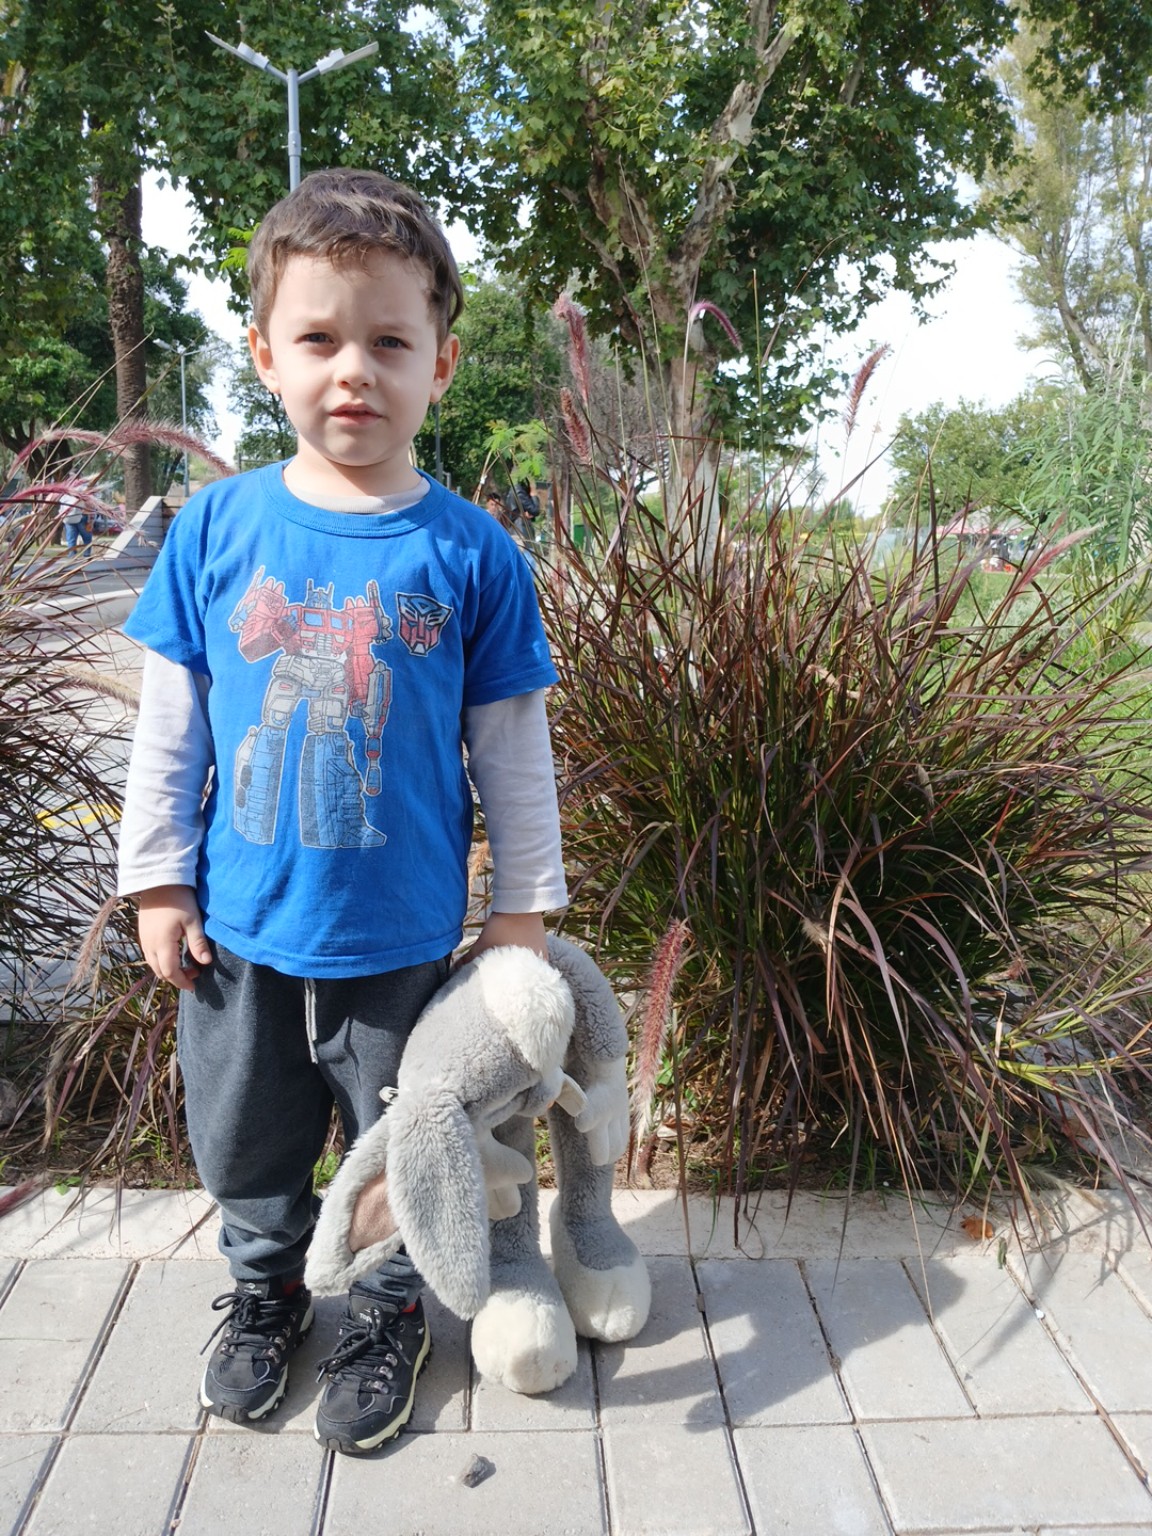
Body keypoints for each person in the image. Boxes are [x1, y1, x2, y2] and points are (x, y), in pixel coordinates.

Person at [116, 168, 568, 1455]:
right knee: (244, 1132)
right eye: (318, 339)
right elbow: (173, 721)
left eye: (388, 341)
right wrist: (157, 878)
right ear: (265, 355)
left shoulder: (472, 552)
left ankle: (388, 1303)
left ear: (443, 361)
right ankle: (263, 1290)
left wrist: (523, 910)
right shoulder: (214, 528)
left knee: (399, 1141)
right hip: (242, 933)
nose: (351, 370)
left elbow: (513, 750)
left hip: (406, 940)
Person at [58, 492, 93, 557]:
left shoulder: (65, 494)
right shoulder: (84, 491)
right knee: (87, 537)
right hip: (82, 516)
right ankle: (87, 553)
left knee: (71, 538)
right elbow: (89, 506)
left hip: (69, 518)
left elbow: (61, 507)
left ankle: (72, 555)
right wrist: (90, 520)